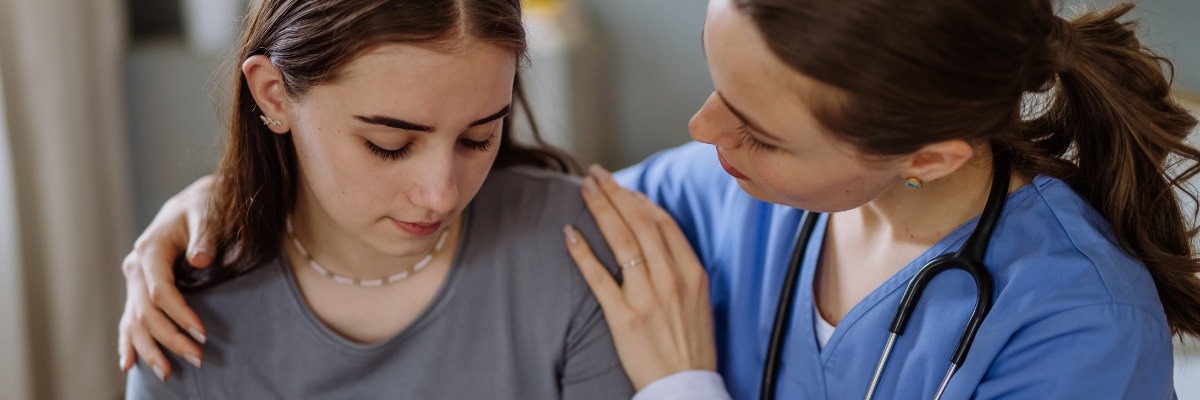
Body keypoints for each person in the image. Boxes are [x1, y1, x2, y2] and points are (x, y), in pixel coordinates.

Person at [122, 0, 1200, 398]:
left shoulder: (1076, 332)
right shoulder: (715, 195)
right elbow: (490, 209)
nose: (700, 130)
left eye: (757, 127)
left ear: (926, 154)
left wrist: (684, 389)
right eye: (717, 85)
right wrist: (222, 199)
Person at [120, 0, 634, 398]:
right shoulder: (182, 310)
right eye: (389, 145)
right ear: (274, 94)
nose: (441, 194)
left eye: (477, 138)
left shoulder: (576, 251)